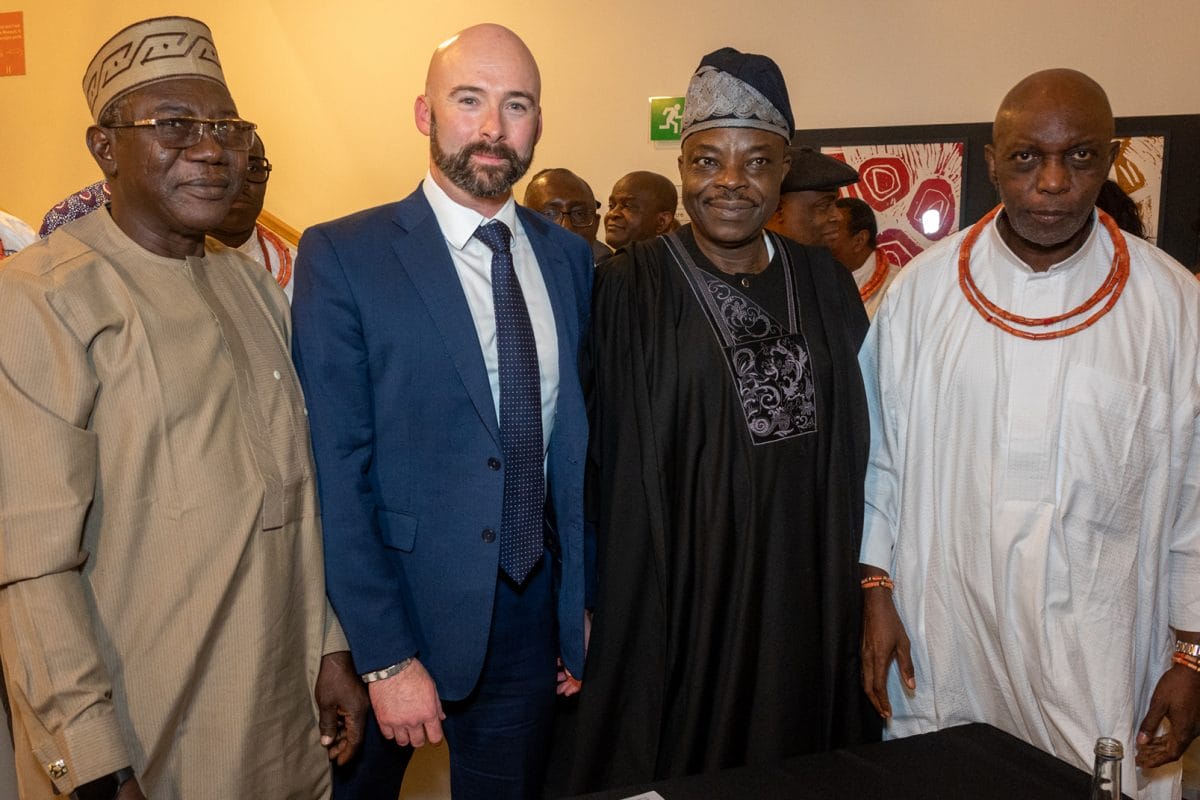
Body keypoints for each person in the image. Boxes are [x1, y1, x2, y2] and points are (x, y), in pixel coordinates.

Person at [0, 16, 364, 800]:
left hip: (279, 719)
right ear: (105, 148)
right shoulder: (41, 300)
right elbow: (30, 567)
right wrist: (92, 759)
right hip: (144, 733)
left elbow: (293, 499)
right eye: (173, 126)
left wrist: (330, 650)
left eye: (226, 127)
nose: (210, 149)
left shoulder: (252, 284)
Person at [858, 68, 1200, 800]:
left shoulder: (1174, 308)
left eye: (1079, 157)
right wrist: (877, 590)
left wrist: (1193, 654)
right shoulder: (919, 294)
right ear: (991, 162)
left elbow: (1198, 493)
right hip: (948, 635)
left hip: (1100, 652)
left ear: (1110, 161)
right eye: (1026, 158)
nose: (1052, 182)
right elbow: (879, 457)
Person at [547, 47, 877, 795]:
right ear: (683, 165)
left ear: (784, 169)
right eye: (707, 160)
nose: (730, 183)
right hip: (679, 596)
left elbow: (869, 437)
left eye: (756, 162)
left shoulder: (823, 280)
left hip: (808, 585)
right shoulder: (627, 290)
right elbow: (586, 462)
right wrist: (584, 601)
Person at [290, 23, 592, 800]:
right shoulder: (345, 256)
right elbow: (336, 470)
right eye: (469, 100)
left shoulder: (571, 260)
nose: (493, 129)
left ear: (538, 124)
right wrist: (386, 658)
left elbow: (582, 447)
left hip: (528, 621)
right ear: (425, 114)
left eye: (516, 105)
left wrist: (576, 603)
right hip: (391, 618)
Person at [210, 133, 298, 299]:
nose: (241, 182)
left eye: (253, 169)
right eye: (222, 167)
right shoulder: (163, 262)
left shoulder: (297, 271)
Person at [766, 145, 859, 246]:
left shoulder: (818, 261)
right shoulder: (751, 260)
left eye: (834, 204)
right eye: (824, 205)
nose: (838, 216)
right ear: (778, 209)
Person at [827, 196, 899, 319]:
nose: (822, 240)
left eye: (832, 232)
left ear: (859, 241)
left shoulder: (897, 287)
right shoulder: (819, 279)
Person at [523, 167, 611, 264]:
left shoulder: (609, 270)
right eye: (549, 214)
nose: (567, 227)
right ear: (523, 223)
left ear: (596, 224)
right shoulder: (506, 273)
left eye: (579, 214)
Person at [602, 170, 677, 251]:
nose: (612, 213)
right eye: (611, 205)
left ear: (662, 221)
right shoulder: (602, 260)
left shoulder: (671, 262)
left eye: (628, 206)